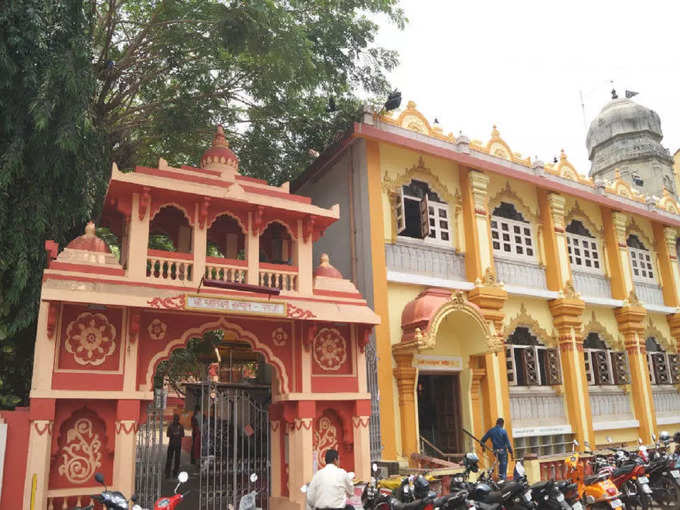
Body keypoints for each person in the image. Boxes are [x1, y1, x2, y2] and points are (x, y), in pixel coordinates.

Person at [165, 414, 185, 479]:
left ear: (178, 420)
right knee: (169, 459)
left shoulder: (181, 426)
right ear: (173, 419)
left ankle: (175, 472)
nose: (176, 421)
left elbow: (183, 435)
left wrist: (177, 434)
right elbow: (168, 435)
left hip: (178, 445)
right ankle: (167, 473)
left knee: (177, 459)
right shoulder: (170, 426)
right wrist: (174, 434)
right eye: (175, 419)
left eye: (177, 419)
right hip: (171, 444)